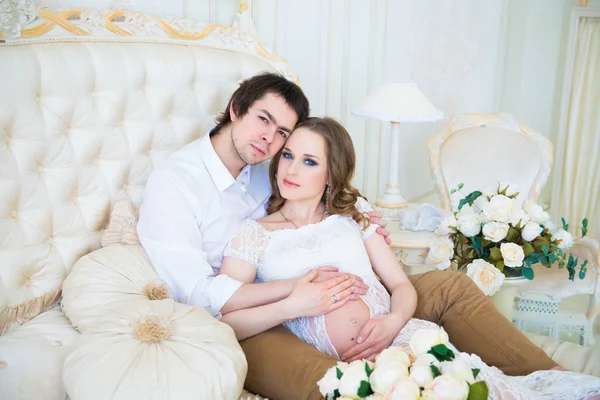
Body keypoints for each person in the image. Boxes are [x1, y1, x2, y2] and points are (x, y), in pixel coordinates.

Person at [137, 72, 563, 400]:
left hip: (347, 300)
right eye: (264, 121)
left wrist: (364, 220)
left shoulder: (268, 166)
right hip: (264, 313)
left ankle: (551, 379)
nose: (275, 147)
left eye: (283, 136)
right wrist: (297, 297)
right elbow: (200, 296)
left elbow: (319, 176)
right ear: (236, 109)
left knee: (449, 286)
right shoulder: (176, 185)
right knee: (332, 381)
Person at [219, 117, 600, 400]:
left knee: (476, 390)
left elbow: (399, 283)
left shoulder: (353, 215)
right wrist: (293, 305)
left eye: (309, 161)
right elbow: (226, 321)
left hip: (399, 336)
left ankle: (552, 377)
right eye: (287, 156)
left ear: (331, 175)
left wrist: (393, 321)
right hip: (348, 366)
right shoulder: (254, 234)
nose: (290, 168)